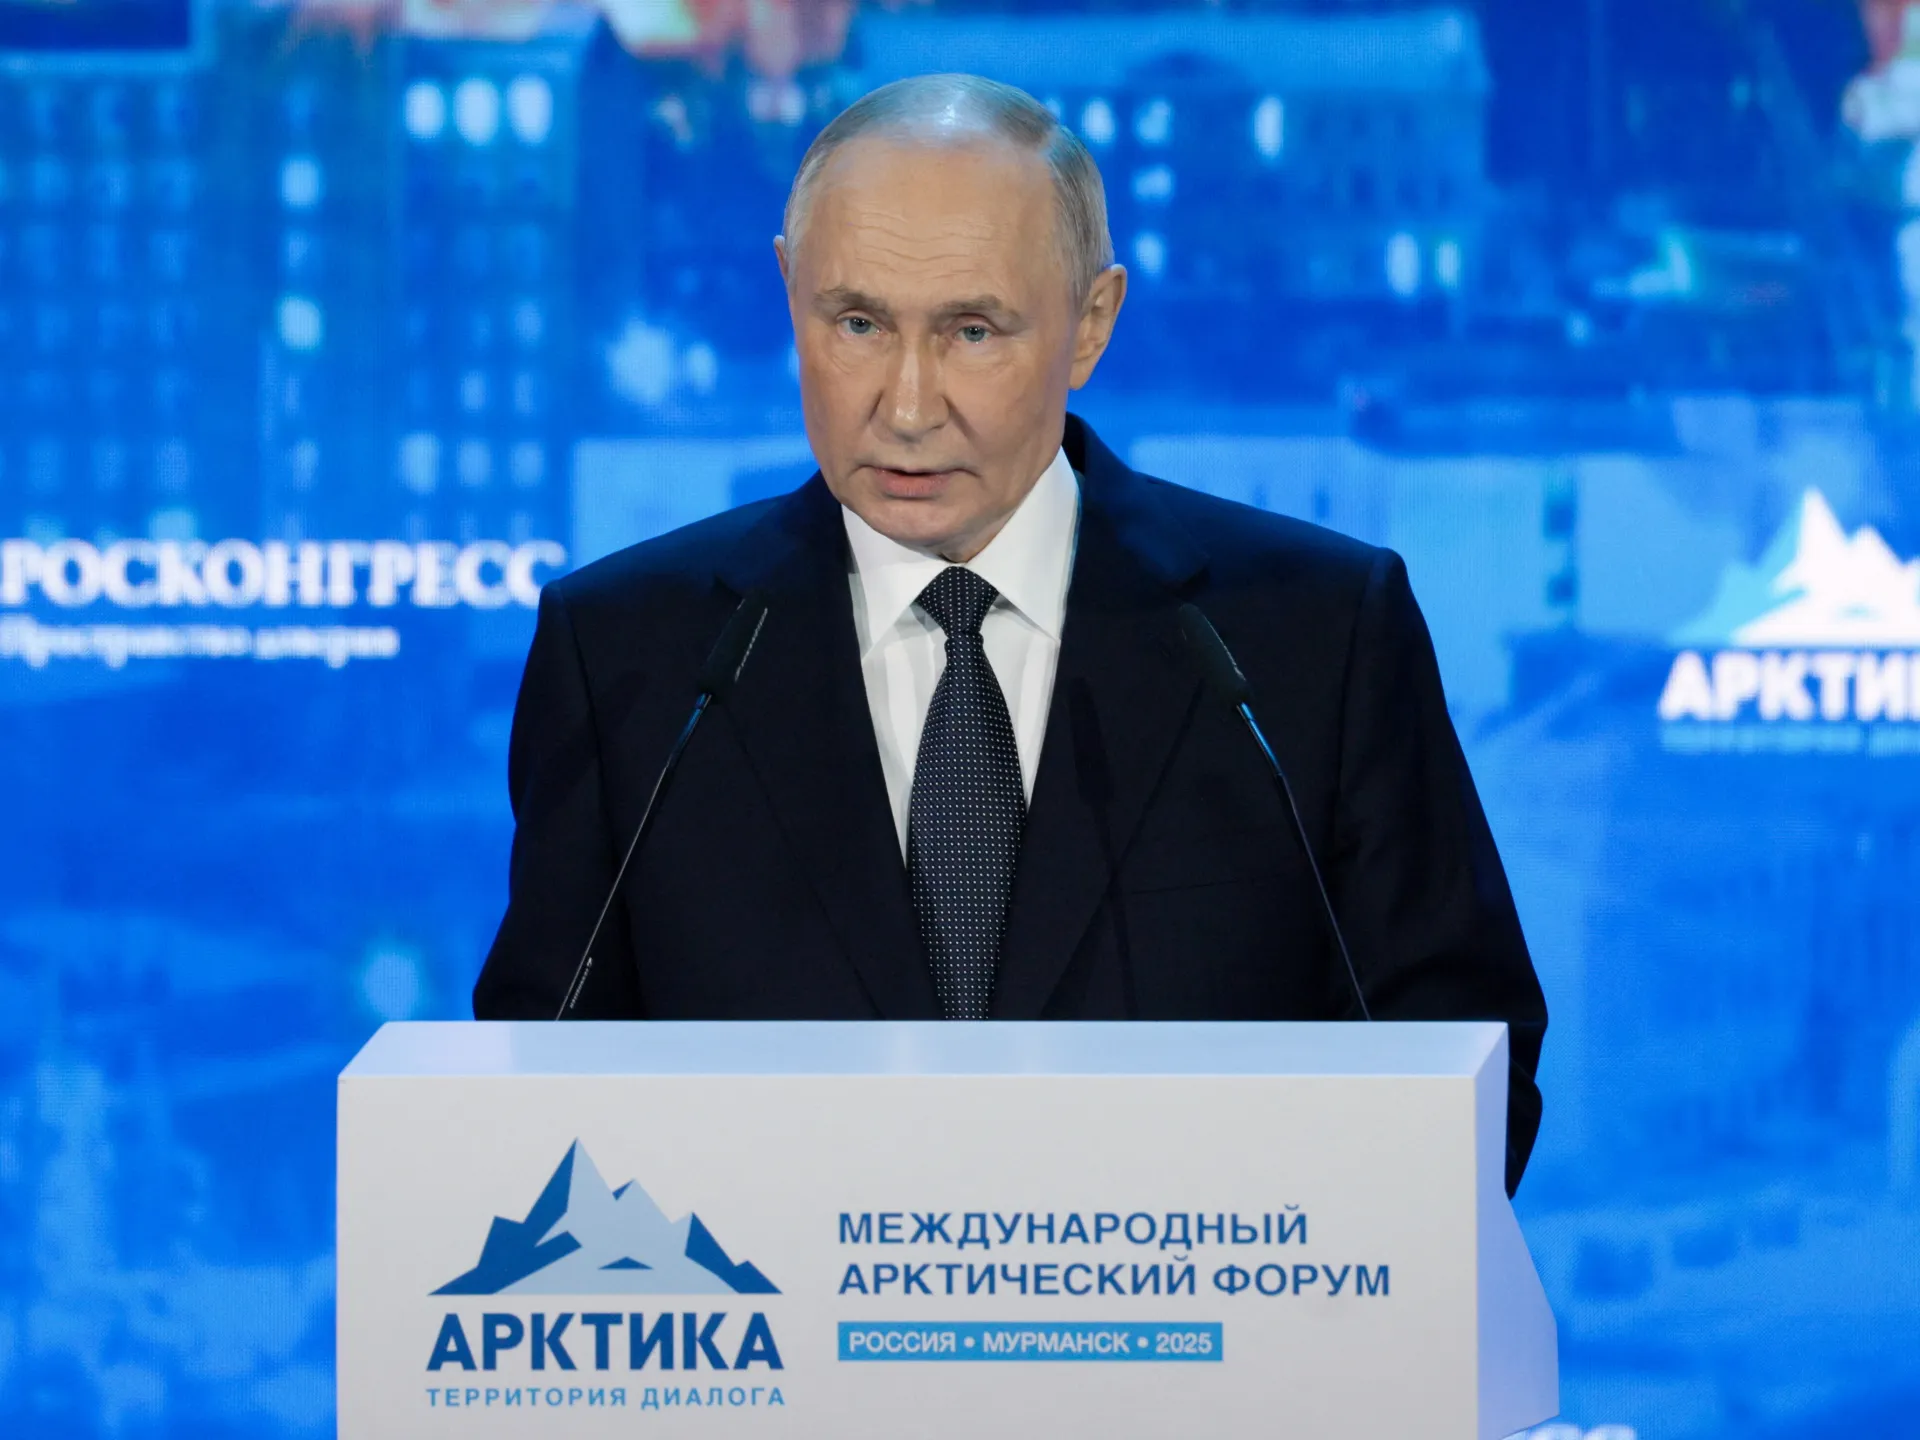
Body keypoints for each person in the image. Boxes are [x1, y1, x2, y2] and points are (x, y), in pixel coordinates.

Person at [474, 74, 1548, 1193]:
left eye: (972, 332)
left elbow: (1469, 1076)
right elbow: (544, 1105)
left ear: (1092, 324)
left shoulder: (1314, 638)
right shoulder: (629, 657)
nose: (906, 406)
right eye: (856, 324)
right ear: (789, 291)